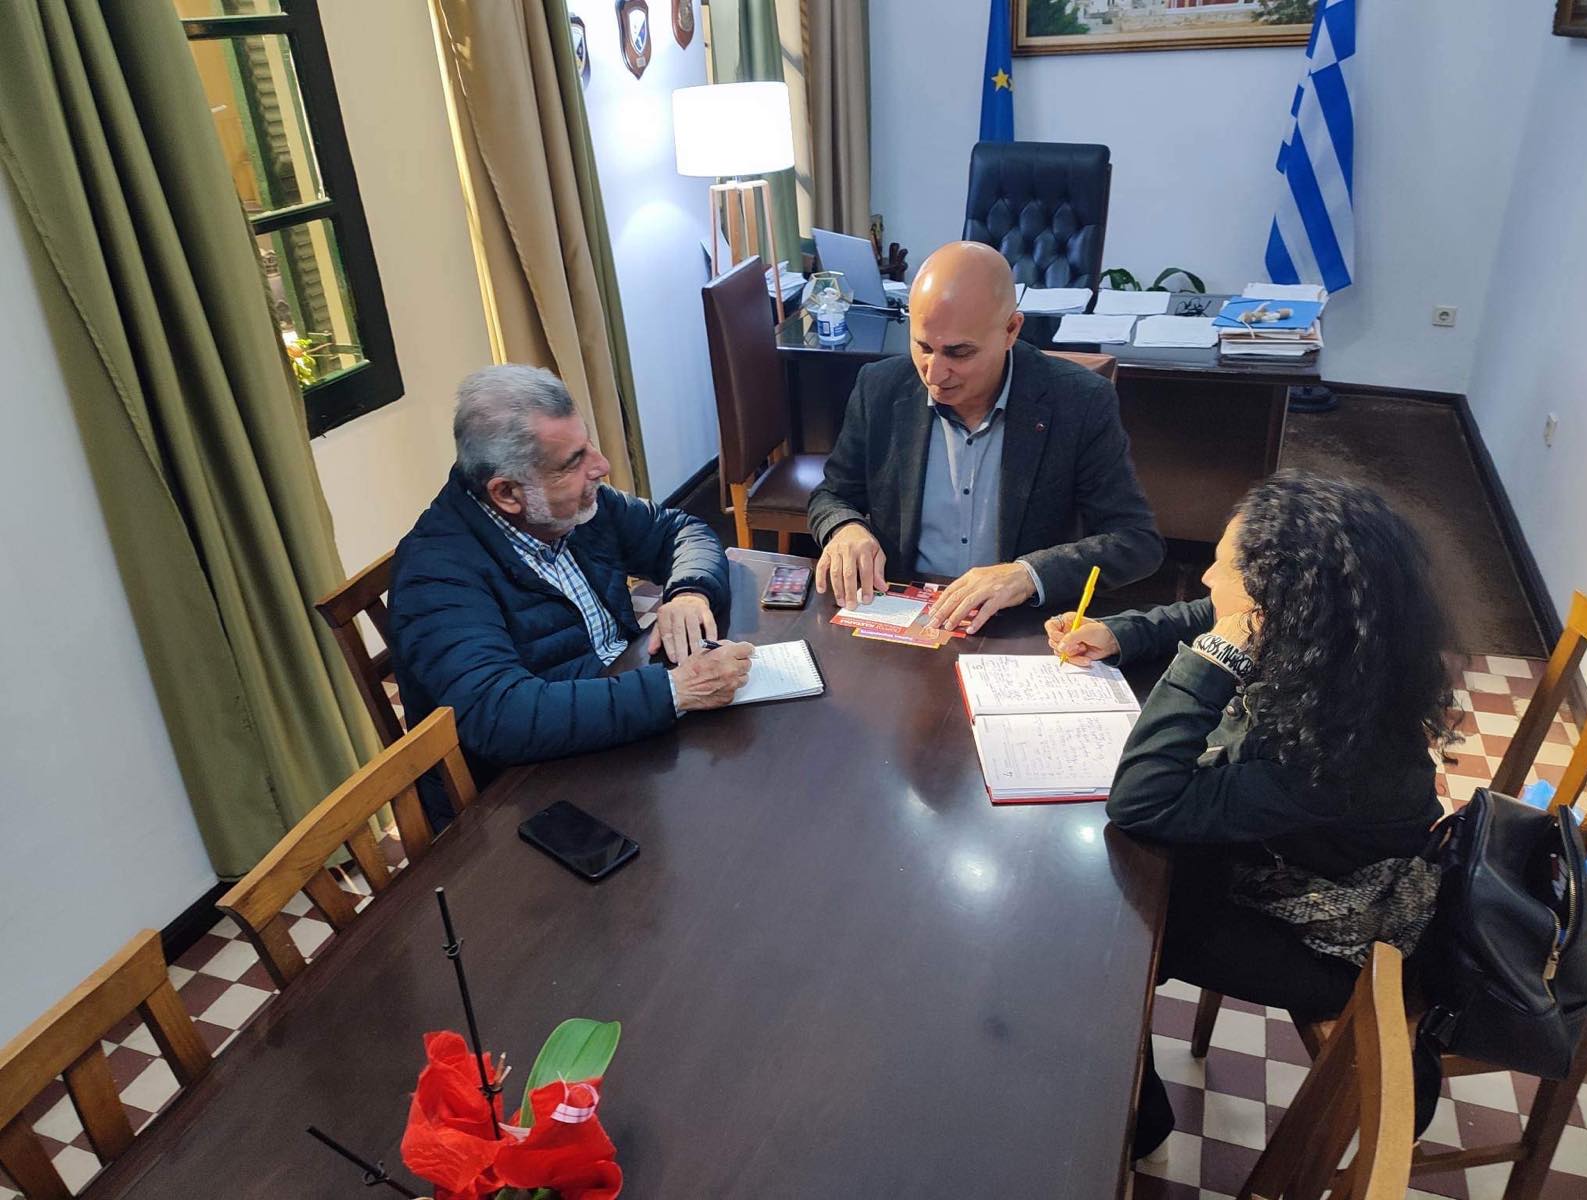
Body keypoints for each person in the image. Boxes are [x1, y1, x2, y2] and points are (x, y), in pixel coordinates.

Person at [1047, 471, 1457, 1157]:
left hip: (1337, 940)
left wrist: (1210, 662)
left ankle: (1134, 1118)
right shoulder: (1338, 652)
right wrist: (1119, 633)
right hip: (1290, 863)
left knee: (1111, 930)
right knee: (1111, 891)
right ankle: (1123, 1091)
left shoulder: (1333, 751)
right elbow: (1204, 614)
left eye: (1224, 566)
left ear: (1276, 603)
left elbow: (1145, 801)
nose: (1207, 576)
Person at [390, 365, 753, 826]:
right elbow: (501, 716)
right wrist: (676, 691)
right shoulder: (435, 575)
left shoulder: (576, 508)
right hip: (524, 799)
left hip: (620, 724)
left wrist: (689, 592)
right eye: (572, 462)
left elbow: (679, 531)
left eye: (589, 445)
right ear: (507, 493)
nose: (600, 467)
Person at [806, 240, 1162, 632]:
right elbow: (832, 495)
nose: (934, 374)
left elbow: (1136, 541)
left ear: (1011, 330)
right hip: (906, 612)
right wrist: (845, 527)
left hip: (1017, 622)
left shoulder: (1079, 401)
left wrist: (1026, 574)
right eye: (923, 346)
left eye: (958, 353)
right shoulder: (880, 387)